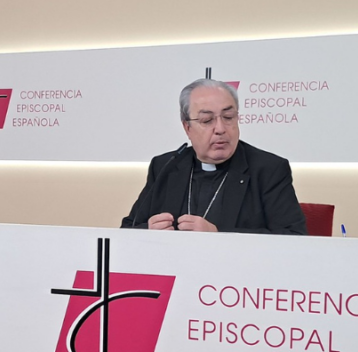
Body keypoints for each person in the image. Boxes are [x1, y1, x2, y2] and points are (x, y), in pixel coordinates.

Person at [121, 78, 307, 235]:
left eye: (228, 117)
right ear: (187, 127)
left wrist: (218, 235)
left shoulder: (268, 169)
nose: (220, 129)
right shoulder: (165, 166)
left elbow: (293, 236)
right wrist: (149, 230)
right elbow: (128, 229)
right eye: (207, 120)